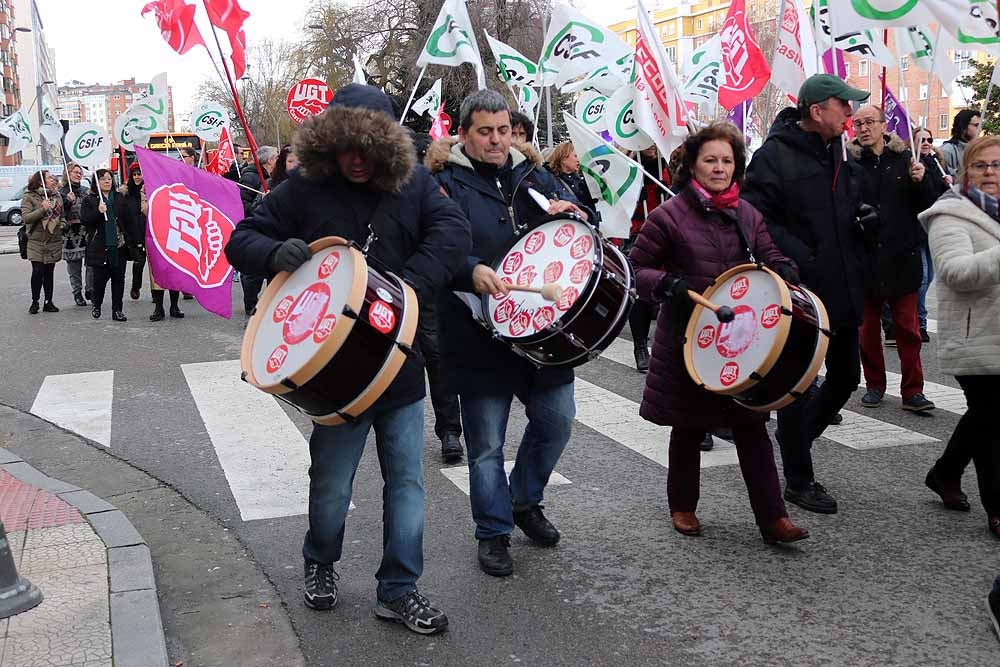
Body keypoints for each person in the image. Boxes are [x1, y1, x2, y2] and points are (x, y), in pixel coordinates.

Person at [225, 84, 470, 635]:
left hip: (400, 369)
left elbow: (453, 233)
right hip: (336, 377)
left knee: (407, 482)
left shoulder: (416, 185)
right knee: (332, 484)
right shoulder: (303, 189)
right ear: (330, 143)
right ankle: (320, 560)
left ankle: (400, 588)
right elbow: (241, 238)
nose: (358, 159)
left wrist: (407, 288)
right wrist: (273, 252)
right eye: (347, 146)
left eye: (370, 147)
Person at [429, 89, 592, 577]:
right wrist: (469, 268)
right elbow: (431, 244)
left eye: (503, 130)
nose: (497, 140)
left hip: (540, 331)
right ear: (464, 134)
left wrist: (576, 216)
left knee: (557, 420)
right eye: (485, 131)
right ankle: (493, 531)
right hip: (479, 335)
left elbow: (581, 228)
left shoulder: (533, 173)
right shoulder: (441, 183)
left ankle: (524, 499)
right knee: (486, 447)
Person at [629, 122, 808, 543]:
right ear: (692, 164)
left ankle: (773, 519)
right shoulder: (668, 215)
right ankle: (683, 506)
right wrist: (667, 285)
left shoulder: (747, 213)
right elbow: (636, 271)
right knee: (689, 427)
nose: (719, 167)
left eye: (727, 160)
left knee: (751, 426)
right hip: (690, 339)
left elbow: (770, 253)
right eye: (710, 159)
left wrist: (784, 269)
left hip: (741, 341)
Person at [741, 74, 872, 514]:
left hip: (845, 285)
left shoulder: (840, 152)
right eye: (844, 106)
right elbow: (755, 219)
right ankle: (799, 477)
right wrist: (801, 255)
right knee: (797, 385)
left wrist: (863, 217)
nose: (851, 114)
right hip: (802, 289)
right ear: (817, 111)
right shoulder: (773, 156)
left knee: (846, 379)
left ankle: (796, 441)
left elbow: (846, 205)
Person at [918, 134, 1000, 540]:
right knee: (991, 421)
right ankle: (997, 508)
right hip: (973, 335)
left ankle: (945, 472)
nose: (989, 173)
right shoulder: (949, 213)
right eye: (980, 165)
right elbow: (956, 272)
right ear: (966, 170)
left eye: (997, 165)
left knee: (985, 415)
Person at [848, 107, 936, 412]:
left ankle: (913, 390)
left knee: (908, 331)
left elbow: (931, 203)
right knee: (868, 331)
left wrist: (922, 179)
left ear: (884, 125)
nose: (863, 128)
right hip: (865, 258)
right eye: (858, 123)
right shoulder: (849, 163)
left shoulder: (907, 158)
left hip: (902, 257)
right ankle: (874, 385)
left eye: (869, 122)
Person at [627, 146, 672, 374]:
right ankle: (640, 345)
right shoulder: (628, 162)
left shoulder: (671, 160)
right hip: (640, 229)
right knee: (641, 290)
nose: (652, 148)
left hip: (669, 230)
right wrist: (634, 193)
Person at [912, 128, 952, 342]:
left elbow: (939, 195)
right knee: (923, 279)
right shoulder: (913, 164)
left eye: (929, 139)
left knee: (931, 277)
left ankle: (919, 320)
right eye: (922, 140)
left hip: (933, 229)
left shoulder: (936, 163)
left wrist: (947, 183)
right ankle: (920, 323)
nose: (927, 143)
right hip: (918, 229)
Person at [80, 170, 131, 322]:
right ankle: (97, 304)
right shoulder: (90, 200)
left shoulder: (119, 198)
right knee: (99, 280)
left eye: (109, 179)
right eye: (103, 179)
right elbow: (85, 220)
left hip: (119, 245)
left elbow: (128, 220)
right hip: (100, 246)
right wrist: (98, 211)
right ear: (97, 182)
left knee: (118, 280)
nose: (107, 181)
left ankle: (117, 310)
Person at [239, 145, 279, 317]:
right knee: (253, 272)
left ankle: (272, 303)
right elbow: (242, 205)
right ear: (270, 160)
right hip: (255, 228)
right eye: (277, 157)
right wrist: (261, 201)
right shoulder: (250, 177)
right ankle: (251, 305)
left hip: (273, 229)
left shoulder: (273, 177)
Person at [22, 170, 65, 314]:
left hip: (53, 239)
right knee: (37, 271)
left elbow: (63, 216)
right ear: (41, 181)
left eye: (53, 177)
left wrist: (62, 225)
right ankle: (35, 301)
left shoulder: (57, 195)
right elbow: (26, 218)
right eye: (49, 178)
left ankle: (48, 301)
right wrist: (42, 209)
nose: (53, 179)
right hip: (36, 240)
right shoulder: (29, 196)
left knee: (49, 272)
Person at [59, 163, 89, 307]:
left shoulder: (86, 191)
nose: (78, 174)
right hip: (70, 233)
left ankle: (91, 289)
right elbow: (58, 213)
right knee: (74, 266)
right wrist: (67, 202)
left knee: (92, 263)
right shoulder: (61, 192)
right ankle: (77, 292)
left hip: (86, 231)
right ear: (67, 173)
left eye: (80, 172)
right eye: (75, 172)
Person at [545, 142, 598, 216]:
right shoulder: (549, 180)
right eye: (575, 156)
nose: (578, 160)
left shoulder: (581, 181)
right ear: (563, 158)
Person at [939, 109, 982, 176]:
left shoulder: (979, 149)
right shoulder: (946, 151)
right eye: (976, 125)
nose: (980, 129)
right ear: (963, 126)